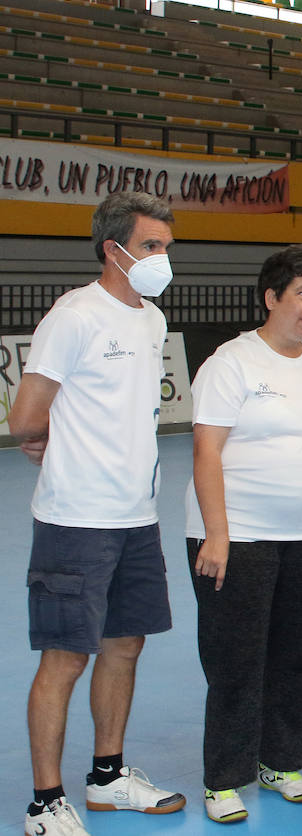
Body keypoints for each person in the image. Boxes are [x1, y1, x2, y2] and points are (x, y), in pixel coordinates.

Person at [11, 191, 186, 836]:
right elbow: (26, 418)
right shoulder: (74, 316)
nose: (162, 258)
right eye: (150, 246)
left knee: (125, 644)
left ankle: (108, 778)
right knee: (65, 655)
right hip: (75, 519)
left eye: (167, 246)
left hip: (137, 518)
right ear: (112, 250)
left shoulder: (149, 320)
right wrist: (59, 440)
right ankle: (46, 804)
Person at [185, 245, 302, 824]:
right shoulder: (232, 362)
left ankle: (281, 761)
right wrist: (217, 536)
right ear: (271, 298)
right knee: (236, 659)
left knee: (297, 654)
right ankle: (225, 777)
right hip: (238, 536)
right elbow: (207, 452)